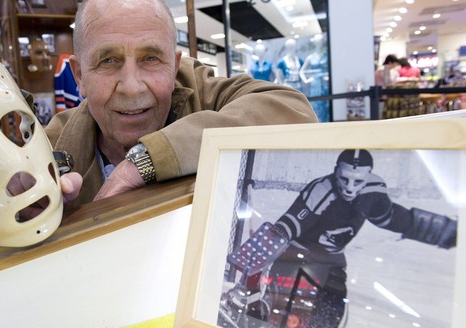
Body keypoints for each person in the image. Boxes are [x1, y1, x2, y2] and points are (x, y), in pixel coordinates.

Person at [25, 0, 317, 214]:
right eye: (108, 60)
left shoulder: (205, 94)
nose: (132, 86)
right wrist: (25, 211)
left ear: (174, 66)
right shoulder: (52, 141)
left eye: (150, 58)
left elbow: (293, 111)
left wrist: (147, 160)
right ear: (79, 76)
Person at [223, 149, 457, 327]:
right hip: (294, 258)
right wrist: (246, 280)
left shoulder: (373, 191)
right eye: (345, 179)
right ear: (336, 171)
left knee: (330, 318)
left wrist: (447, 231)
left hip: (333, 263)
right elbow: (285, 228)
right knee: (280, 316)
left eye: (358, 181)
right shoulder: (320, 191)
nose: (349, 187)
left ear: (367, 177)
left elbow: (393, 218)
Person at [299, 34, 329, 122]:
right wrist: (306, 80)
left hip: (325, 84)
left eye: (320, 41)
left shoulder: (327, 55)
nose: (319, 43)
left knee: (326, 106)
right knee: (315, 106)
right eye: (317, 41)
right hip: (314, 85)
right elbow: (302, 71)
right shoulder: (311, 57)